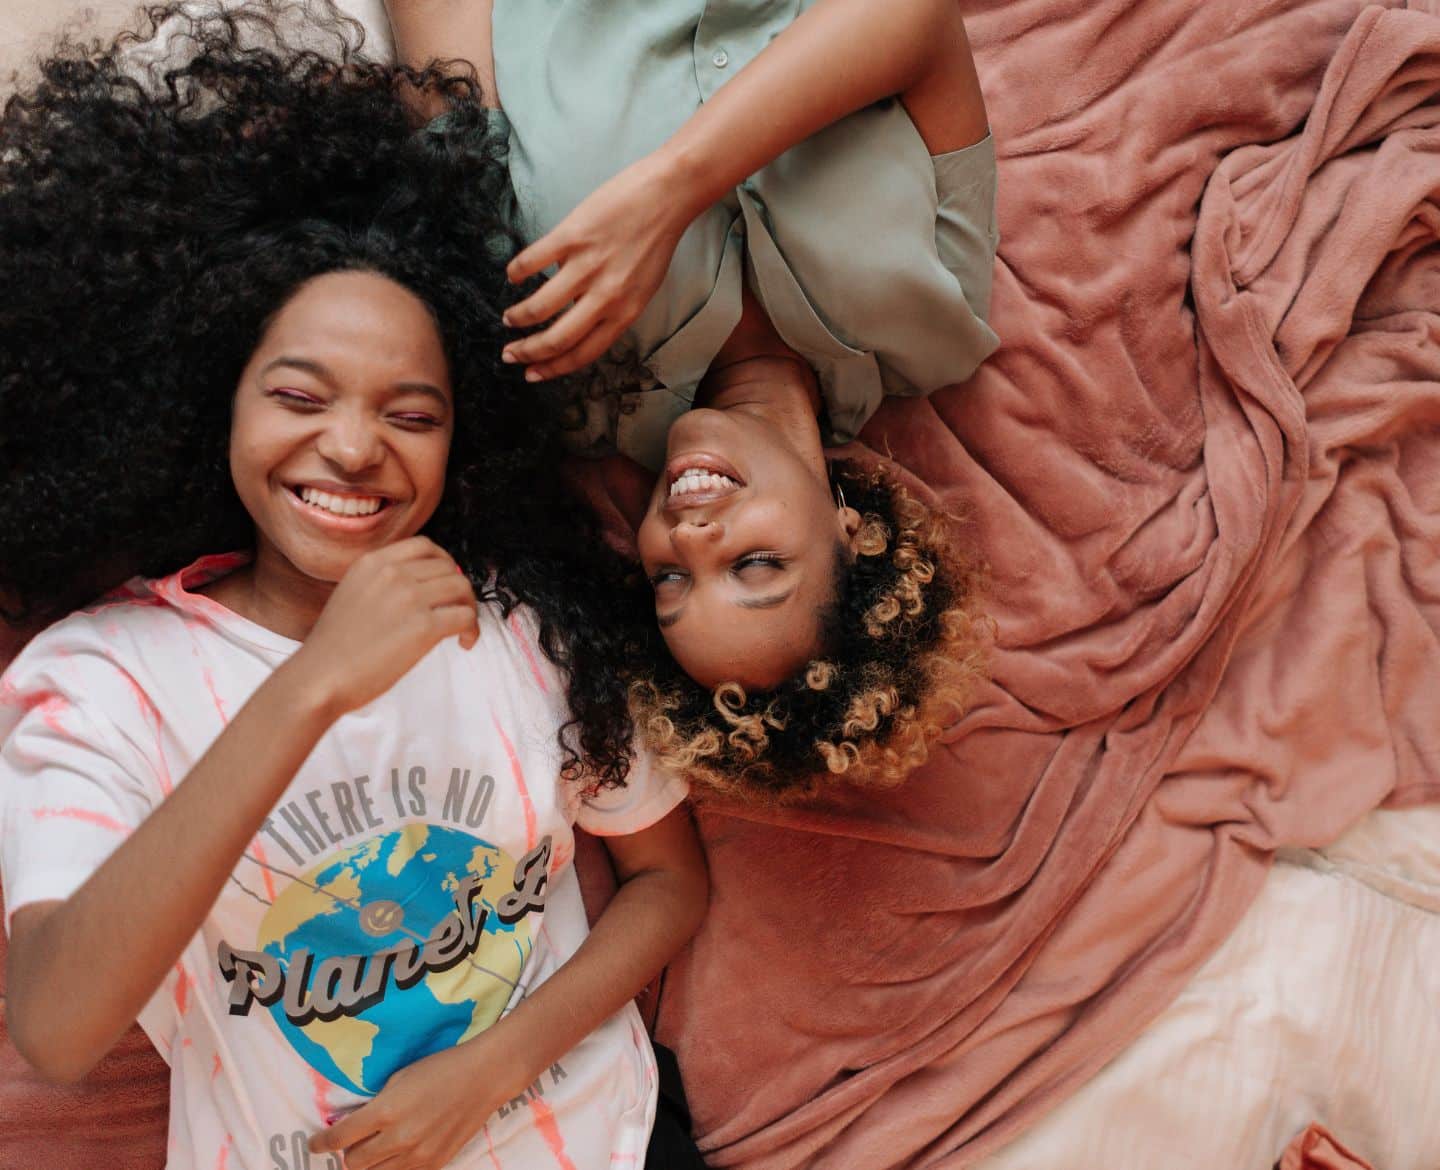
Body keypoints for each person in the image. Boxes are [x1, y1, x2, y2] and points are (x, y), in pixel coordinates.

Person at [0, 5, 709, 1169]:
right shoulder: (100, 681)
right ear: (213, 405)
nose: (352, 446)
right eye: (297, 396)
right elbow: (60, 1028)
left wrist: (490, 1068)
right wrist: (309, 686)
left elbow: (668, 885)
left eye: (411, 414)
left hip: (609, 1140)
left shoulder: (526, 622)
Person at [382, 0, 997, 797]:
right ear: (853, 536)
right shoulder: (935, 322)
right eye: (755, 563)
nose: (693, 538)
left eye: (670, 582)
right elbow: (918, 21)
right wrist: (672, 191)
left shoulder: (547, 359)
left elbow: (443, 67)